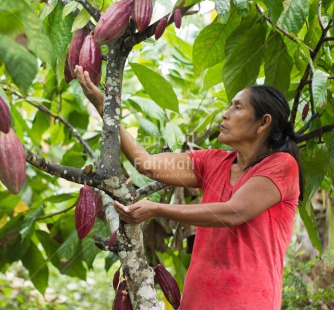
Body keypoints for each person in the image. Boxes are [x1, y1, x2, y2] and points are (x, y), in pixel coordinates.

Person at [75, 65, 303, 309]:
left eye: (237, 107)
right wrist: (104, 108)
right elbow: (147, 164)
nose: (225, 114)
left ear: (263, 123)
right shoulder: (212, 162)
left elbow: (233, 212)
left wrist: (157, 209)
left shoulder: (282, 166)